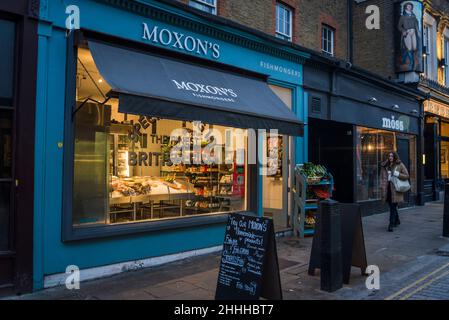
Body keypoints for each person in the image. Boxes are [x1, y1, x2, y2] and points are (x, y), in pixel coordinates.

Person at [381, 152, 410, 232]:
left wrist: (397, 174)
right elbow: (382, 177)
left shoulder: (399, 164)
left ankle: (391, 224)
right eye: (389, 156)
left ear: (395, 156)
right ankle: (397, 220)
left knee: (393, 207)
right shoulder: (385, 165)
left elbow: (407, 175)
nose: (390, 157)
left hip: (396, 189)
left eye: (391, 156)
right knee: (392, 207)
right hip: (387, 190)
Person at [397, 2, 420, 70]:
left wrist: (418, 31)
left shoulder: (413, 16)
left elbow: (416, 24)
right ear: (406, 7)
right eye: (408, 6)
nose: (409, 7)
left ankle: (404, 58)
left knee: (414, 48)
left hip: (413, 32)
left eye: (410, 6)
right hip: (407, 32)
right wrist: (403, 31)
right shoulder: (403, 16)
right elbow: (399, 26)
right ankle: (411, 63)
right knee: (409, 48)